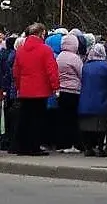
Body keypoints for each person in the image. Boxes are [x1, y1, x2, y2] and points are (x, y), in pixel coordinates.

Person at [14, 24, 59, 156]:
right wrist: (55, 87)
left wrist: (19, 86)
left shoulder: (20, 50)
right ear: (40, 34)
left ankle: (23, 147)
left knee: (25, 118)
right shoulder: (45, 50)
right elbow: (51, 70)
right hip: (40, 90)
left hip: (25, 89)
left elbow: (16, 71)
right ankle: (34, 147)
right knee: (37, 119)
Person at [77, 42, 107, 157]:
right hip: (103, 100)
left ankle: (88, 148)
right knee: (103, 127)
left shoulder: (86, 66)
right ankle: (101, 148)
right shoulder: (106, 66)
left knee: (86, 127)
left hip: (85, 101)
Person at [56, 33, 83, 152]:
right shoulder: (74, 58)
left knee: (62, 118)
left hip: (61, 90)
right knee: (72, 119)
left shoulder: (59, 56)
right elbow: (81, 73)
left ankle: (61, 143)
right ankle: (72, 144)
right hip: (73, 91)